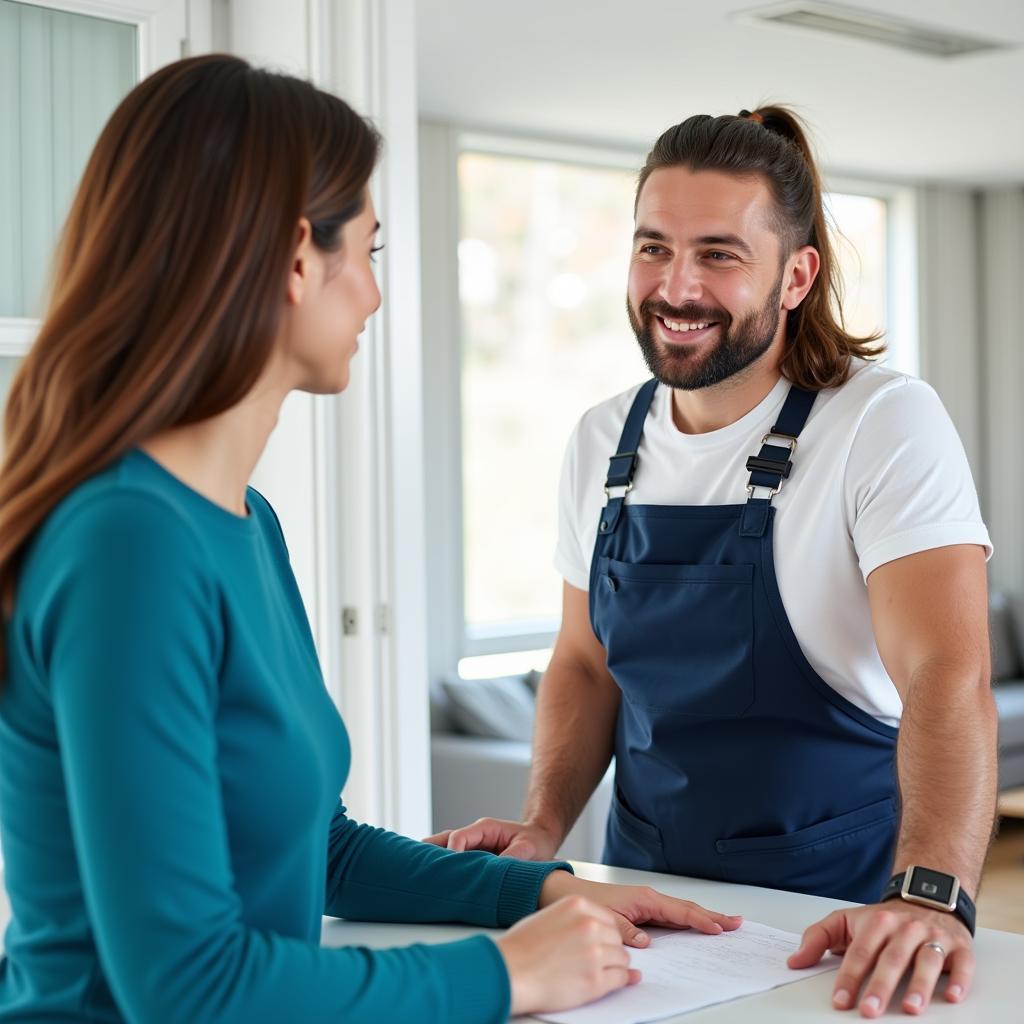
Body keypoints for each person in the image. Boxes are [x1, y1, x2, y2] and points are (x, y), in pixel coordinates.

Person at [0, 56, 742, 1023]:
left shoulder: (242, 522)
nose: (373, 299)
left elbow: (321, 853)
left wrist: (551, 892)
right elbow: (185, 989)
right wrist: (511, 974)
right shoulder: (128, 547)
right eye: (371, 254)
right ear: (295, 259)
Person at [426, 106, 997, 1018]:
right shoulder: (601, 439)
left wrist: (929, 895)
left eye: (720, 255)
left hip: (836, 915)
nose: (675, 286)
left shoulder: (882, 424)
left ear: (797, 274)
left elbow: (947, 674)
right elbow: (583, 662)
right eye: (653, 248)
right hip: (644, 906)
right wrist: (542, 826)